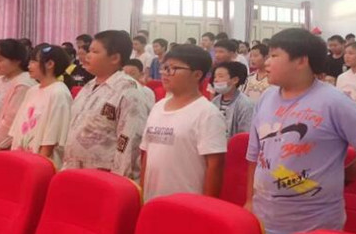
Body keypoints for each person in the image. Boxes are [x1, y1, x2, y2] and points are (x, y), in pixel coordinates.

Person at [245, 28, 356, 234]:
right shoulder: (266, 97)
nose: (266, 63)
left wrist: (344, 176)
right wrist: (249, 201)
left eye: (274, 56)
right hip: (264, 220)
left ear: (301, 61)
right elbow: (254, 154)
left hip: (313, 226)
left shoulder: (335, 102)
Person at [140, 44, 226, 201]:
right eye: (164, 68)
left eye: (173, 68)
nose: (165, 74)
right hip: (152, 201)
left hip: (187, 203)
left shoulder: (207, 113)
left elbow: (215, 167)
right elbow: (146, 154)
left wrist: (206, 206)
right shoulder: (158, 107)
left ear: (197, 74)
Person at [63, 30, 150, 180]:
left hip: (103, 179)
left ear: (114, 58)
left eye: (95, 52)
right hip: (74, 171)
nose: (87, 56)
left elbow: (129, 143)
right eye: (89, 51)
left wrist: (118, 182)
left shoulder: (129, 91)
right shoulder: (88, 86)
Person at [10, 45, 73, 167]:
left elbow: (52, 136)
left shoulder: (59, 92)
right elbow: (19, 125)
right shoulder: (32, 90)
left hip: (41, 163)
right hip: (23, 155)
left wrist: (38, 165)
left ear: (50, 64)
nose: (29, 65)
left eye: (34, 61)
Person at [211, 61, 254, 138]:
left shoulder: (245, 104)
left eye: (220, 76)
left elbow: (245, 134)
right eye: (215, 77)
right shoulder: (215, 101)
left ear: (235, 80)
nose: (216, 80)